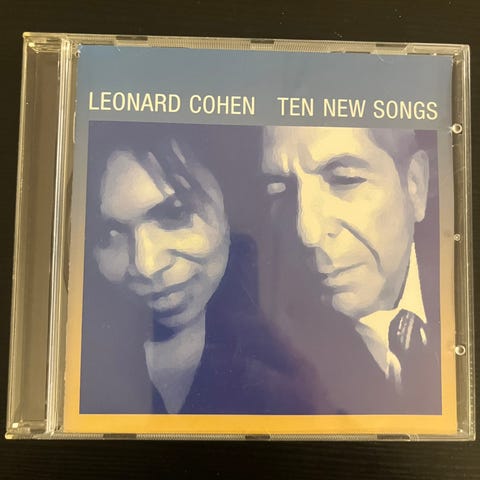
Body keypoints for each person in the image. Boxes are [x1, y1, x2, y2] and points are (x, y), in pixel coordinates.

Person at [80, 124, 320, 415]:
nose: (146, 265)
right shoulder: (78, 361)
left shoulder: (290, 370)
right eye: (108, 234)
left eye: (175, 213)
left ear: (229, 205)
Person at [262, 127, 441, 414]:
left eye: (344, 180)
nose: (307, 232)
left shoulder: (460, 279)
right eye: (279, 190)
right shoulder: (276, 361)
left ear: (414, 184)